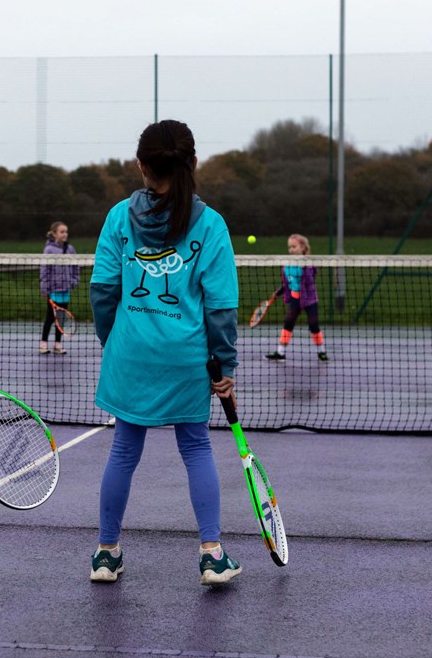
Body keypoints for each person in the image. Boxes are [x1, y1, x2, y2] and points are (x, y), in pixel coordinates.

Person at [89, 119, 242, 585]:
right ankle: (212, 555)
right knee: (196, 448)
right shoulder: (211, 225)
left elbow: (102, 293)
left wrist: (115, 344)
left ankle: (105, 554)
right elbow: (221, 308)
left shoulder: (118, 217)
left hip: (130, 355)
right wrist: (224, 364)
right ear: (192, 163)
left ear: (141, 166)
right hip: (186, 357)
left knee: (123, 449)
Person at [265, 233, 327, 362]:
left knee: (314, 325)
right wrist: (278, 293)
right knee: (288, 324)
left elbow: (310, 281)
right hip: (294, 299)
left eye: (294, 246)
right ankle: (280, 352)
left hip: (309, 300)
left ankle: (321, 351)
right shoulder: (287, 264)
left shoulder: (309, 264)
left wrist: (305, 267)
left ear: (303, 247)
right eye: (289, 247)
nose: (291, 249)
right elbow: (288, 283)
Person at [39, 221, 79, 355]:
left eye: (66, 231)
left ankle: (58, 344)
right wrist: (44, 288)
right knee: (50, 317)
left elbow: (75, 266)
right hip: (53, 290)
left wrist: (74, 281)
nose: (65, 234)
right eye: (62, 232)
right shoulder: (49, 250)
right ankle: (43, 344)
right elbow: (44, 270)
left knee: (61, 318)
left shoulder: (70, 249)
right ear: (54, 234)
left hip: (65, 289)